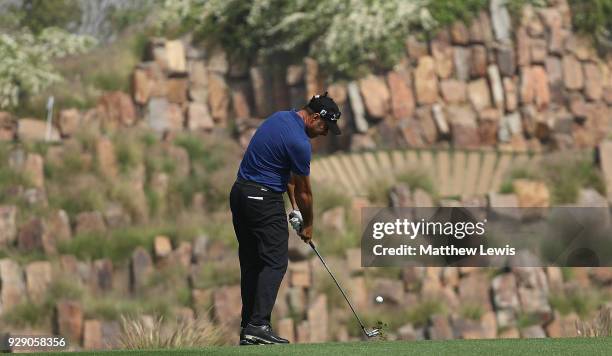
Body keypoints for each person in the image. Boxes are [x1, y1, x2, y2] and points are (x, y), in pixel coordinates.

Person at [229, 92, 341, 345]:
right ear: (314, 117)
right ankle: (258, 325)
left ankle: (249, 328)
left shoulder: (280, 118)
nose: (325, 133)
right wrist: (309, 225)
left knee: (252, 263)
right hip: (261, 199)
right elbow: (304, 191)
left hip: (240, 194)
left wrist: (295, 210)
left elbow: (286, 175)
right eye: (325, 126)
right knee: (276, 261)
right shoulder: (300, 143)